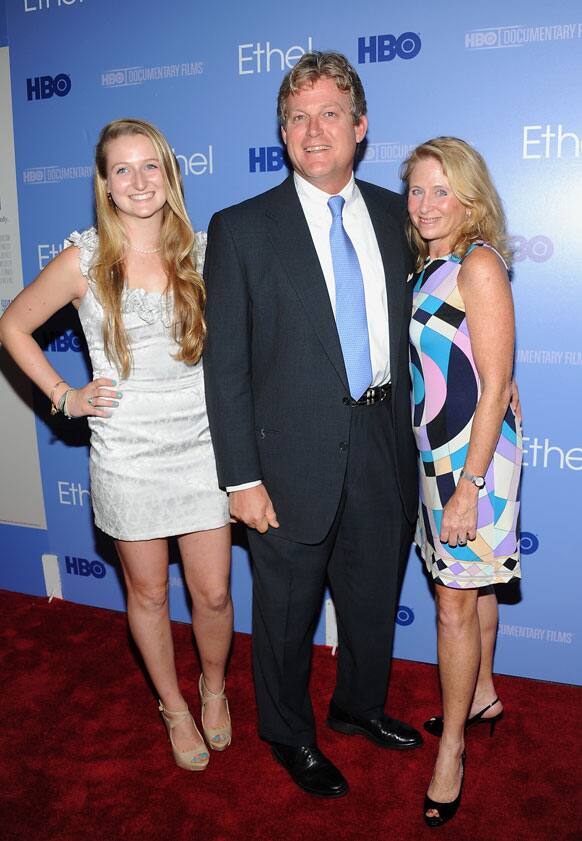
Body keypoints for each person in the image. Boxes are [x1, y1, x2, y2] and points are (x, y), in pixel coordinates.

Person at [203, 52, 422, 798]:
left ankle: (359, 706)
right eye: (297, 116)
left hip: (383, 442)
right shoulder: (240, 229)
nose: (312, 128)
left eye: (330, 112)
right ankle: (288, 734)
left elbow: (439, 317)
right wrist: (239, 476)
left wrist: (498, 373)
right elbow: (223, 365)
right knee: (287, 613)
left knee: (369, 598)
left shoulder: (401, 217)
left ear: (360, 128)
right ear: (283, 132)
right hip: (285, 458)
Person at [0, 118, 233, 771]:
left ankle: (213, 689)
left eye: (149, 166)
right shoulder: (85, 258)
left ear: (170, 174)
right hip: (126, 452)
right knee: (150, 593)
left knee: (213, 592)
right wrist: (64, 396)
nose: (137, 181)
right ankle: (172, 705)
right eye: (122, 169)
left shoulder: (205, 250)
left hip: (201, 445)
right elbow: (13, 325)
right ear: (104, 182)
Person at [402, 137, 522, 826]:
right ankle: (480, 694)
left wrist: (470, 483)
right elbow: (490, 356)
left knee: (451, 602)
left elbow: (493, 378)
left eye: (441, 191)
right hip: (439, 453)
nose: (425, 203)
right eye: (417, 190)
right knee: (470, 587)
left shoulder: (477, 263)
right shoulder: (434, 264)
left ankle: (450, 749)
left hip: (472, 463)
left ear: (470, 198)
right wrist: (506, 380)